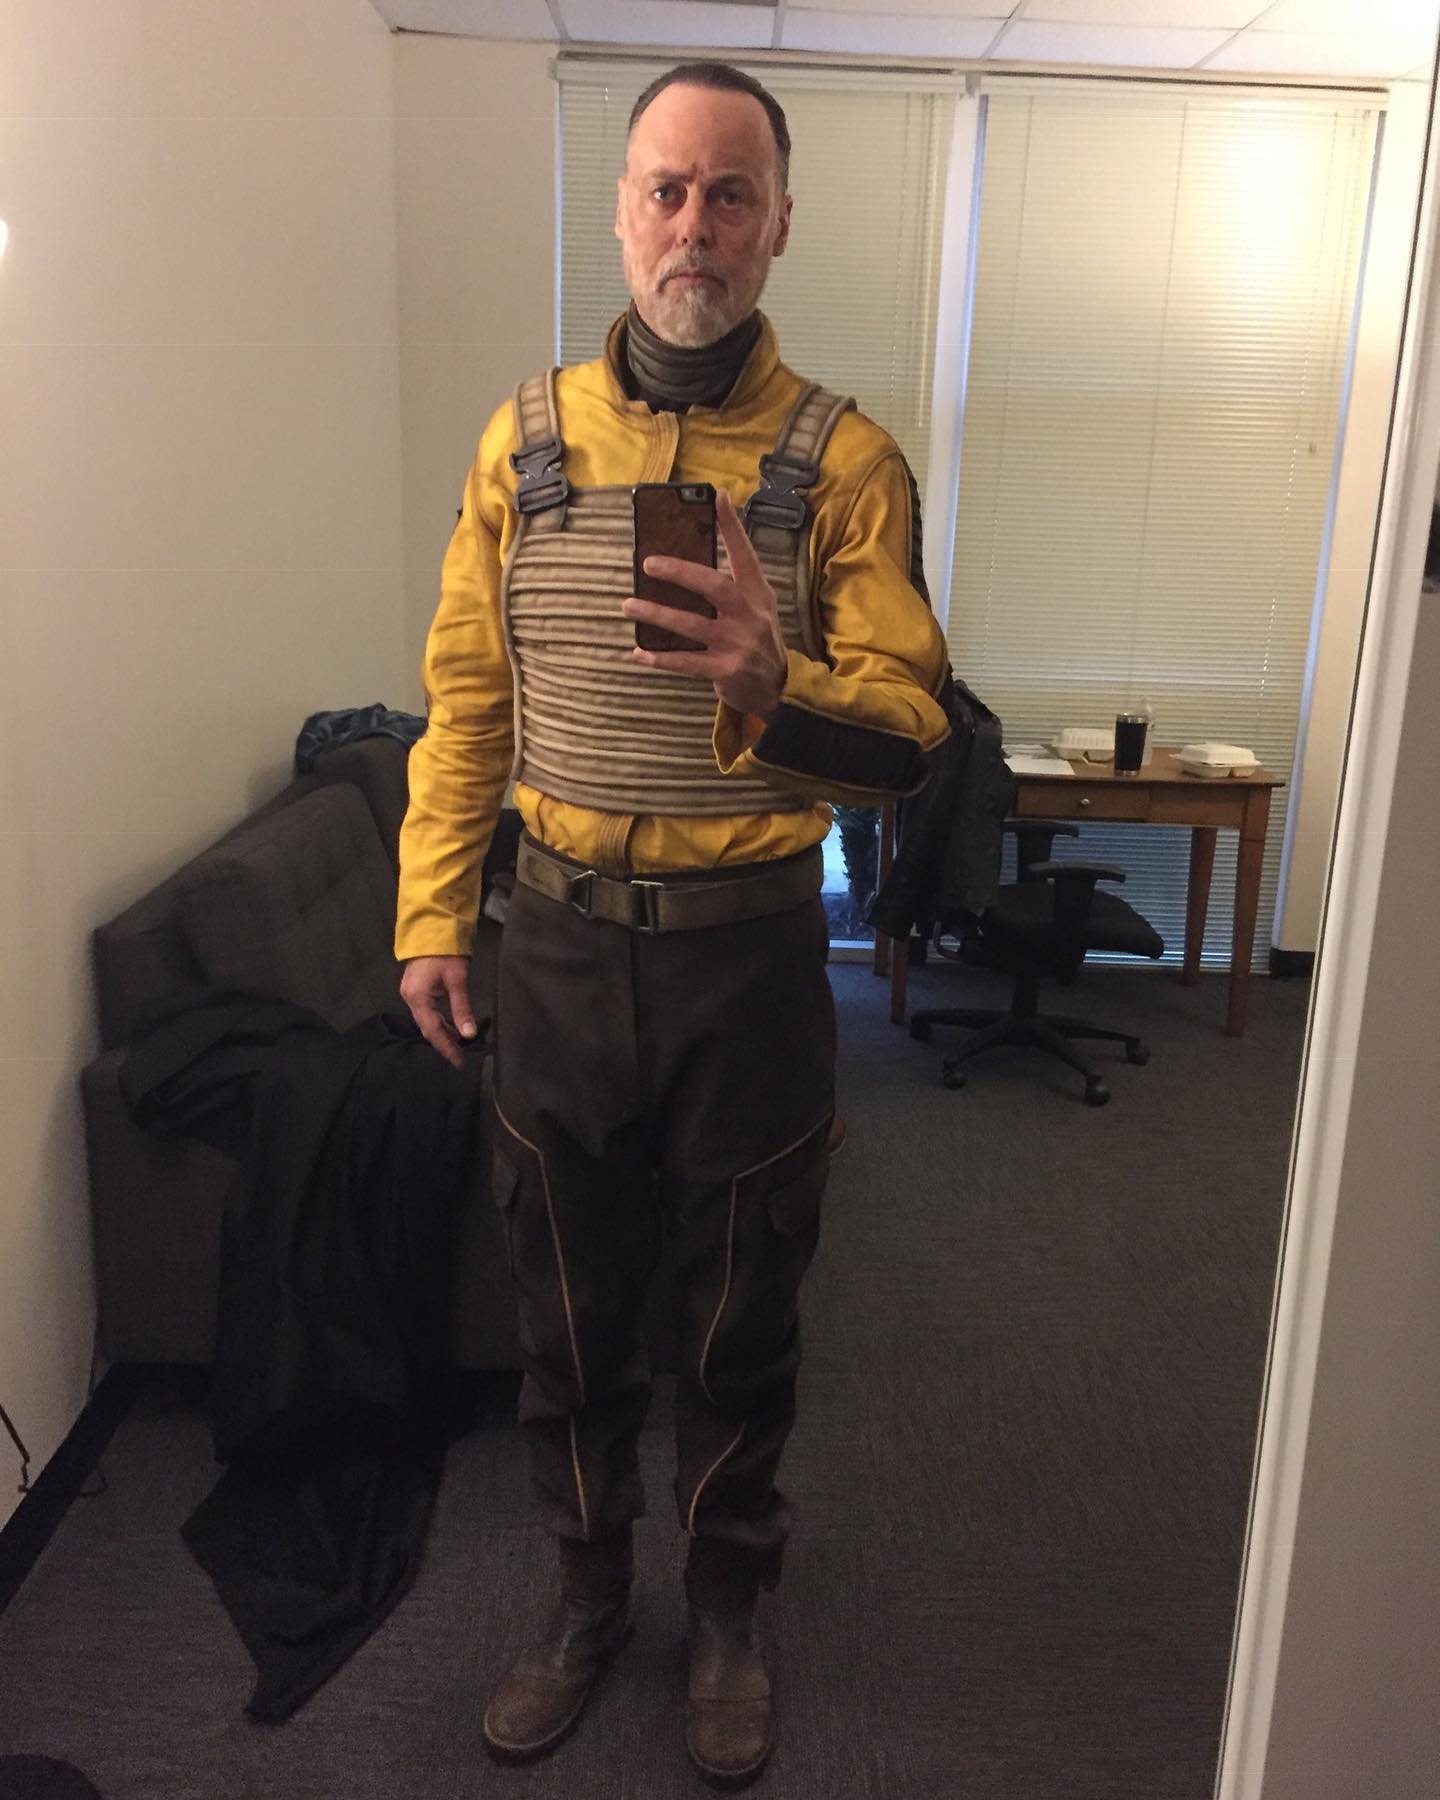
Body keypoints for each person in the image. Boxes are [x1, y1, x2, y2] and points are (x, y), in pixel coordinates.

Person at [395, 61, 950, 1789]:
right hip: (558, 949)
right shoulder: (522, 440)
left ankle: (723, 1610)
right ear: (622, 210)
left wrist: (777, 686)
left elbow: (917, 735)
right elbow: (467, 702)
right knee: (564, 1311)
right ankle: (583, 1600)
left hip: (751, 959)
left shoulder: (845, 463)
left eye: (729, 193)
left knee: (735, 1317)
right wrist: (431, 914)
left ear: (778, 225)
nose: (693, 225)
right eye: (664, 188)